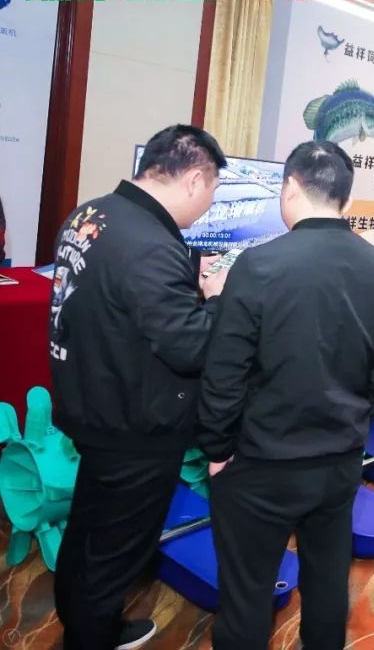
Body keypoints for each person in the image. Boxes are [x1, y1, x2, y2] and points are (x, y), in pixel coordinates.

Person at [197, 141, 374, 649]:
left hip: (262, 459)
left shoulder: (258, 265)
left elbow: (225, 373)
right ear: (346, 200)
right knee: (328, 577)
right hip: (339, 459)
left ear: (289, 187)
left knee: (247, 591)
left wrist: (217, 448)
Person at [50, 125, 229, 650]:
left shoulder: (92, 213)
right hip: (134, 423)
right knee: (115, 550)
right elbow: (191, 346)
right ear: (194, 179)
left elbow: (120, 299)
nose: (210, 203)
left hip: (91, 401)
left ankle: (84, 621)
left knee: (89, 528)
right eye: (213, 189)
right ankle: (90, 637)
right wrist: (217, 298)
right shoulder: (150, 243)